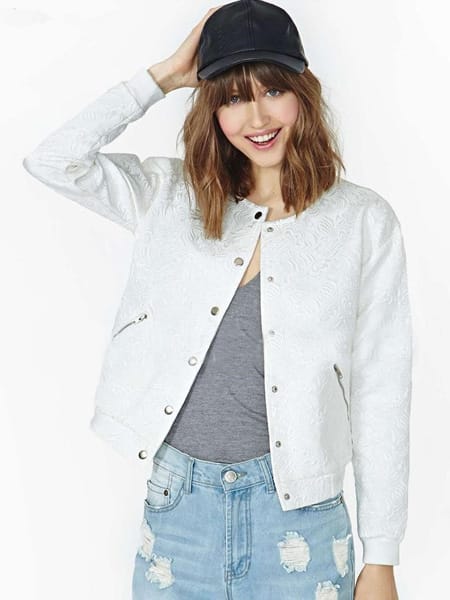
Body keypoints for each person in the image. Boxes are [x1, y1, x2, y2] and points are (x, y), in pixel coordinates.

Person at [22, 1, 412, 599]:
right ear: (212, 109)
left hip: (301, 522)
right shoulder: (170, 195)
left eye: (273, 91)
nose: (257, 117)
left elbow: (382, 390)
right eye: (232, 98)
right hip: (179, 511)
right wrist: (162, 78)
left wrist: (381, 556)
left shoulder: (363, 221)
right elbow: (52, 161)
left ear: (303, 93)